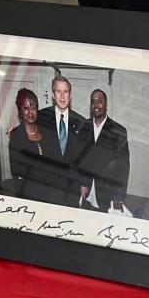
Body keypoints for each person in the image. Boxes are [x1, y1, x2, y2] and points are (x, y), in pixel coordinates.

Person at [8, 88, 68, 205]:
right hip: (30, 197)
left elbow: (59, 162)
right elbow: (17, 171)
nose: (30, 112)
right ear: (20, 111)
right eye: (26, 108)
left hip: (54, 194)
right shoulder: (16, 137)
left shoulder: (48, 133)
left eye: (34, 107)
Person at [75, 89, 131, 213]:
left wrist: (118, 197)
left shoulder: (119, 131)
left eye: (99, 101)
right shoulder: (83, 126)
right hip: (87, 191)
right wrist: (82, 183)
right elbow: (80, 158)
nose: (96, 105)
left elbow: (123, 167)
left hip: (107, 193)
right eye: (93, 101)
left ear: (106, 105)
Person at [37, 75, 88, 205]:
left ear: (70, 95)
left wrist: (84, 183)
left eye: (65, 92)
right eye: (58, 91)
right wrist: (14, 130)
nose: (62, 96)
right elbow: (28, 128)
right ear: (53, 95)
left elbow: (85, 156)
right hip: (47, 184)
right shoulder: (42, 117)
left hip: (72, 186)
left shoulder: (81, 122)